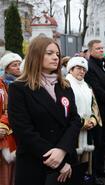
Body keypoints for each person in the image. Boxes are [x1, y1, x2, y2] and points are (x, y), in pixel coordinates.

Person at [8, 36, 82, 185]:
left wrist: (62, 150)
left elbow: (75, 120)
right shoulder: (19, 88)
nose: (55, 57)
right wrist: (58, 163)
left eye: (57, 54)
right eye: (49, 53)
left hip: (66, 159)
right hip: (35, 163)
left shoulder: (65, 86)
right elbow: (23, 130)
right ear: (36, 55)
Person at [84, 39, 105, 185]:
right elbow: (96, 89)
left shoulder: (103, 64)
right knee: (98, 143)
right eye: (98, 48)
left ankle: (101, 168)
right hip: (98, 112)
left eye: (102, 48)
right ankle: (94, 174)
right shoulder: (89, 66)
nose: (101, 50)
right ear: (90, 51)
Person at [65, 57, 103, 174]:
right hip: (71, 132)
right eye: (78, 68)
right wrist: (81, 122)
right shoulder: (64, 85)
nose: (82, 71)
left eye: (84, 69)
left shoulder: (87, 86)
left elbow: (94, 105)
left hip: (87, 133)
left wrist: (93, 119)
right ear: (71, 69)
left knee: (84, 167)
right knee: (71, 166)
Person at [0, 52, 22, 185]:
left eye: (19, 64)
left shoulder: (23, 83)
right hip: (5, 134)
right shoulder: (2, 85)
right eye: (14, 65)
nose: (18, 67)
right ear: (6, 68)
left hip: (18, 133)